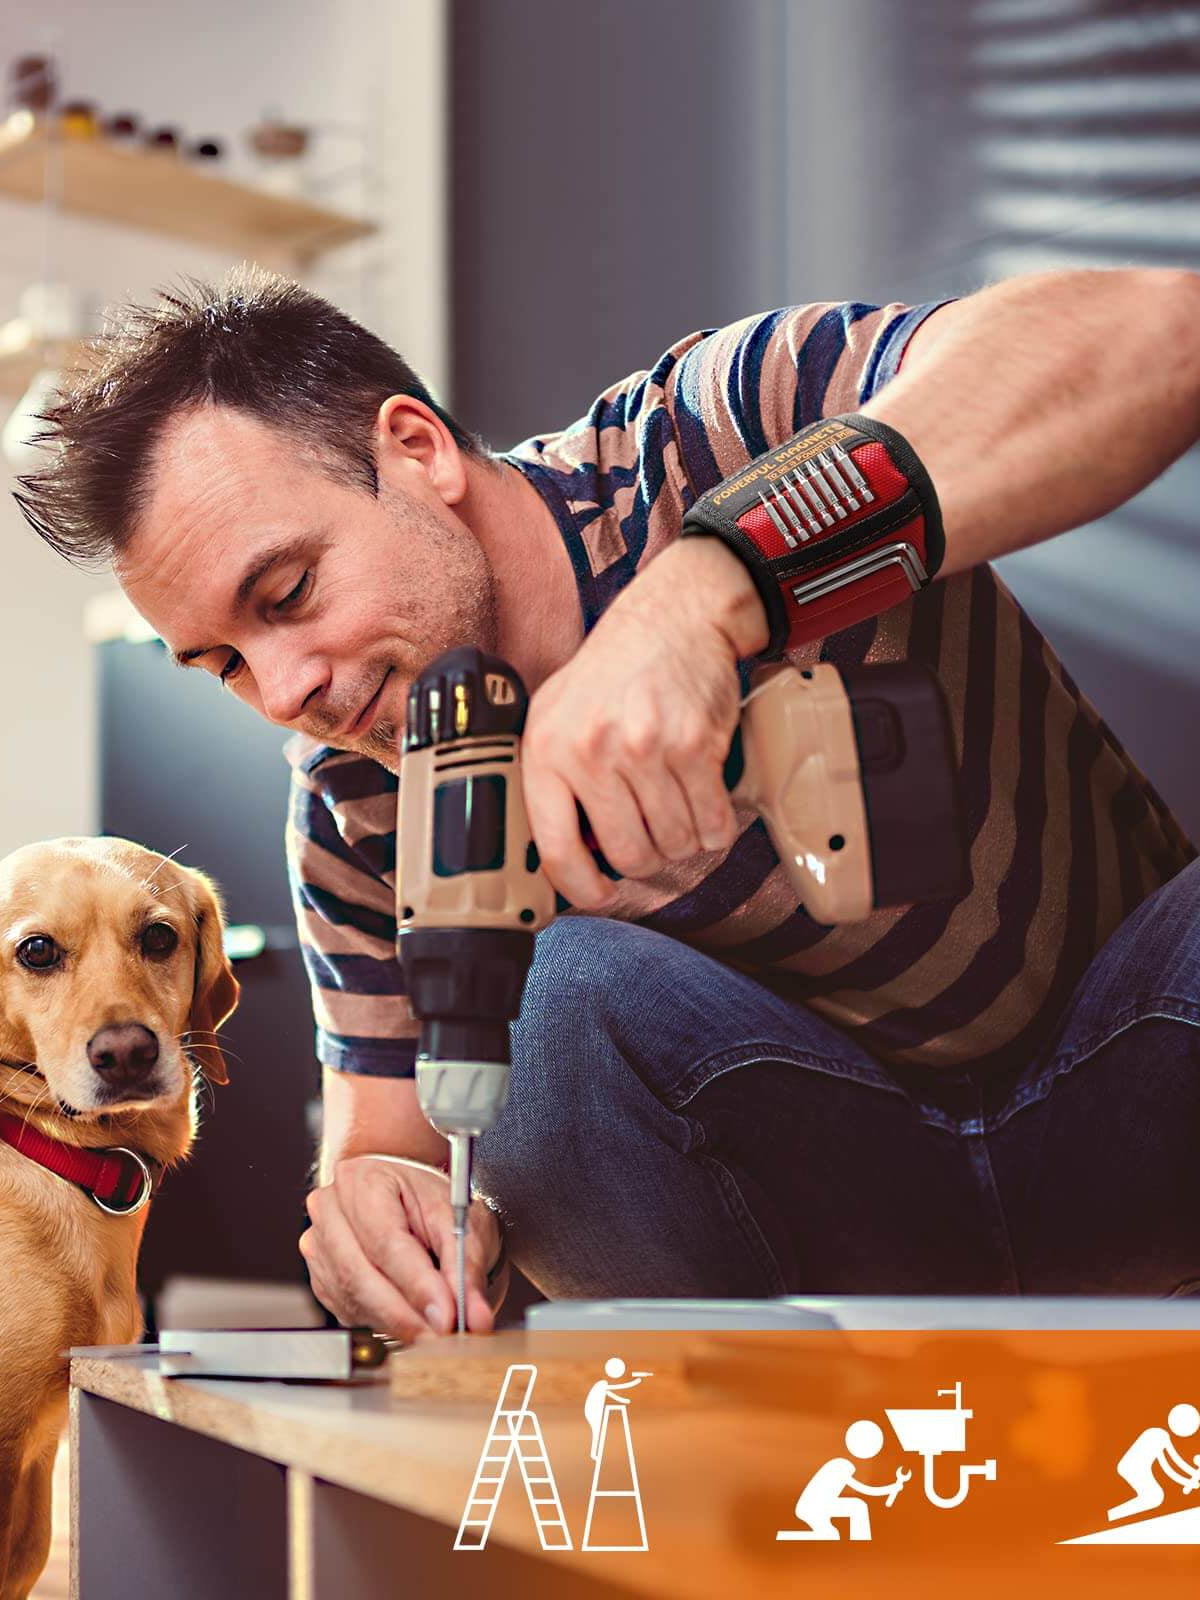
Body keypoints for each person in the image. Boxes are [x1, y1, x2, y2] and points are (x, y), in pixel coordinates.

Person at [13, 264, 1200, 1343]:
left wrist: (707, 594)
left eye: (289, 590)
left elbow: (1161, 335)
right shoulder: (354, 799)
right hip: (843, 1252)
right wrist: (372, 1205)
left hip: (1139, 1099)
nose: (285, 692)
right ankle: (752, 1491)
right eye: (223, 663)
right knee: (554, 996)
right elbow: (392, 1136)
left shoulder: (713, 431)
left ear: (418, 448)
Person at [1108, 1403, 1200, 1522]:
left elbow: (1175, 1461)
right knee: (1154, 1497)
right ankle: (1112, 1517)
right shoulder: (1159, 1435)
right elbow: (1168, 1466)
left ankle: (1112, 1516)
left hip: (1137, 1468)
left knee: (1154, 1497)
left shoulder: (1161, 1435)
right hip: (1132, 1468)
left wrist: (1192, 1476)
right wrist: (1187, 1480)